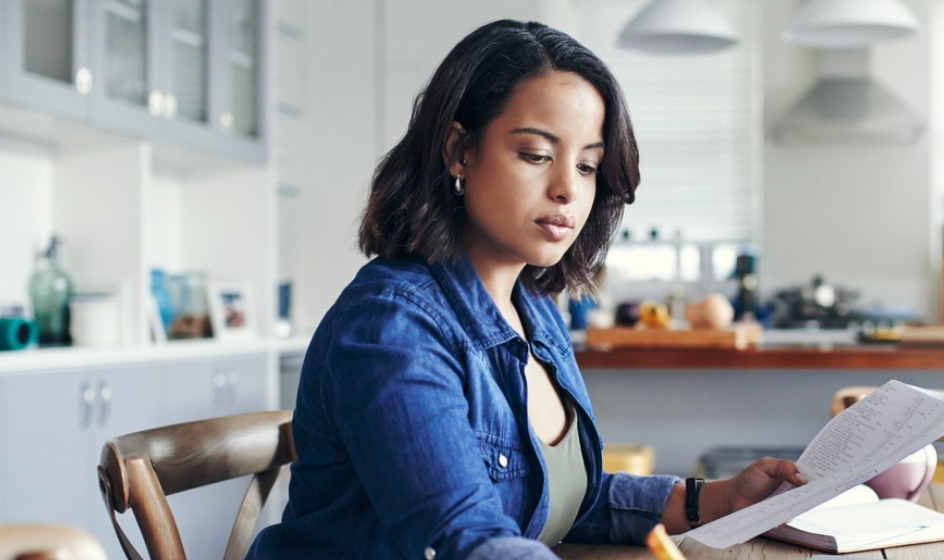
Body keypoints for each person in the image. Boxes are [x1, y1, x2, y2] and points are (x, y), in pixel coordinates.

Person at [245, 20, 805, 560]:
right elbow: (466, 537)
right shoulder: (392, 328)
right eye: (536, 155)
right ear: (460, 151)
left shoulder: (534, 310)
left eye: (587, 166)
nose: (567, 190)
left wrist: (714, 499)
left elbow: (552, 502)